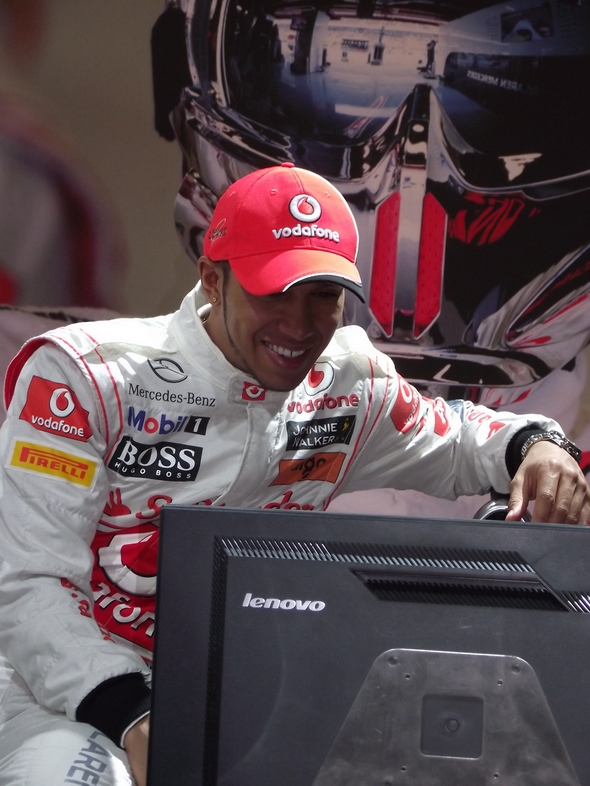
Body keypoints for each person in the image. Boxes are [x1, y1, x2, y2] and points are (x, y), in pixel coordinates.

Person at [0, 163, 588, 786]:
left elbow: (463, 441)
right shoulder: (86, 379)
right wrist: (134, 715)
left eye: (322, 295)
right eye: (273, 291)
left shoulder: (349, 383)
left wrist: (539, 446)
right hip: (67, 696)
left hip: (243, 696)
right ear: (213, 279)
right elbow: (27, 582)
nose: (299, 325)